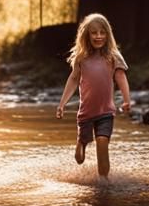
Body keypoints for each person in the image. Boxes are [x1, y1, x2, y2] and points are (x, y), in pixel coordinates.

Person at [56, 13, 131, 181]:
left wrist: (127, 100)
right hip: (86, 113)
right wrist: (62, 104)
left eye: (102, 32)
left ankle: (103, 182)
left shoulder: (113, 56)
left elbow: (121, 77)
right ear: (86, 35)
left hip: (106, 112)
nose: (98, 36)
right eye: (94, 33)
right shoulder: (81, 58)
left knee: (102, 143)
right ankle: (81, 142)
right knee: (79, 159)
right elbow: (73, 79)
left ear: (108, 34)